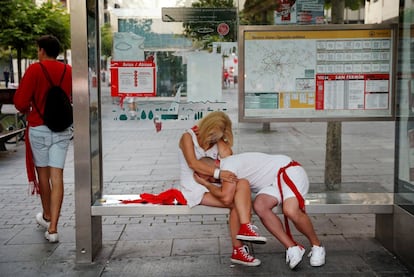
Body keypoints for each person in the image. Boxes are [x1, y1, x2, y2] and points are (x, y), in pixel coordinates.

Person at [194, 152, 326, 269]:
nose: (211, 179)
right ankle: (292, 247)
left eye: (208, 175)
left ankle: (317, 246)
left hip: (287, 171)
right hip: (271, 184)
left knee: (290, 210)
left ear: (215, 164)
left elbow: (226, 197)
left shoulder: (228, 166)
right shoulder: (223, 169)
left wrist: (206, 184)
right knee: (260, 206)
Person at [178, 111, 266, 266]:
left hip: (214, 183)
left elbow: (229, 156)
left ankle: (246, 227)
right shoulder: (188, 137)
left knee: (243, 182)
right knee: (236, 204)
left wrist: (219, 140)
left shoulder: (217, 141)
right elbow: (193, 163)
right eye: (211, 134)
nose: (212, 138)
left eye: (216, 136)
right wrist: (219, 173)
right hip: (194, 186)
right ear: (206, 126)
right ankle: (238, 250)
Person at [14, 35, 72, 243]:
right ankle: (53, 228)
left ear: (41, 50)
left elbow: (20, 102)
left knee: (43, 176)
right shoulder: (68, 71)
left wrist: (30, 106)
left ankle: (47, 215)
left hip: (38, 128)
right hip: (62, 130)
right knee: (58, 177)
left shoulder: (34, 70)